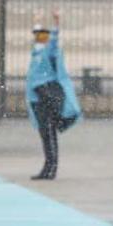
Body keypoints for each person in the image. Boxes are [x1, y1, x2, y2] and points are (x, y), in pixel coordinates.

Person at [25, 11, 81, 179]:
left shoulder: (47, 51)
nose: (39, 38)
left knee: (49, 133)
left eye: (42, 36)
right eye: (38, 35)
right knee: (45, 133)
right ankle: (48, 166)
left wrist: (56, 23)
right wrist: (36, 22)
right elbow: (38, 39)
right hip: (37, 98)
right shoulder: (35, 53)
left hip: (45, 98)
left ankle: (51, 167)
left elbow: (54, 43)